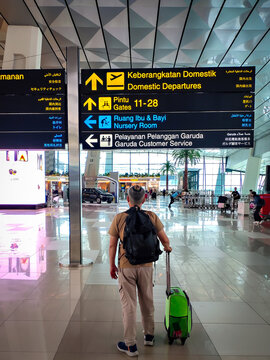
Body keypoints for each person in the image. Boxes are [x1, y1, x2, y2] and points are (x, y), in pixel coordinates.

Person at [109, 185, 172, 356]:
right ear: (144, 199)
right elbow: (164, 240)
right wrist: (167, 247)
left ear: (127, 199)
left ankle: (130, 345)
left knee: (128, 305)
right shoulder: (151, 216)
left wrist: (112, 265)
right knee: (147, 300)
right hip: (146, 266)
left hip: (126, 266)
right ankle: (149, 336)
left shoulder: (119, 218)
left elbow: (112, 245)